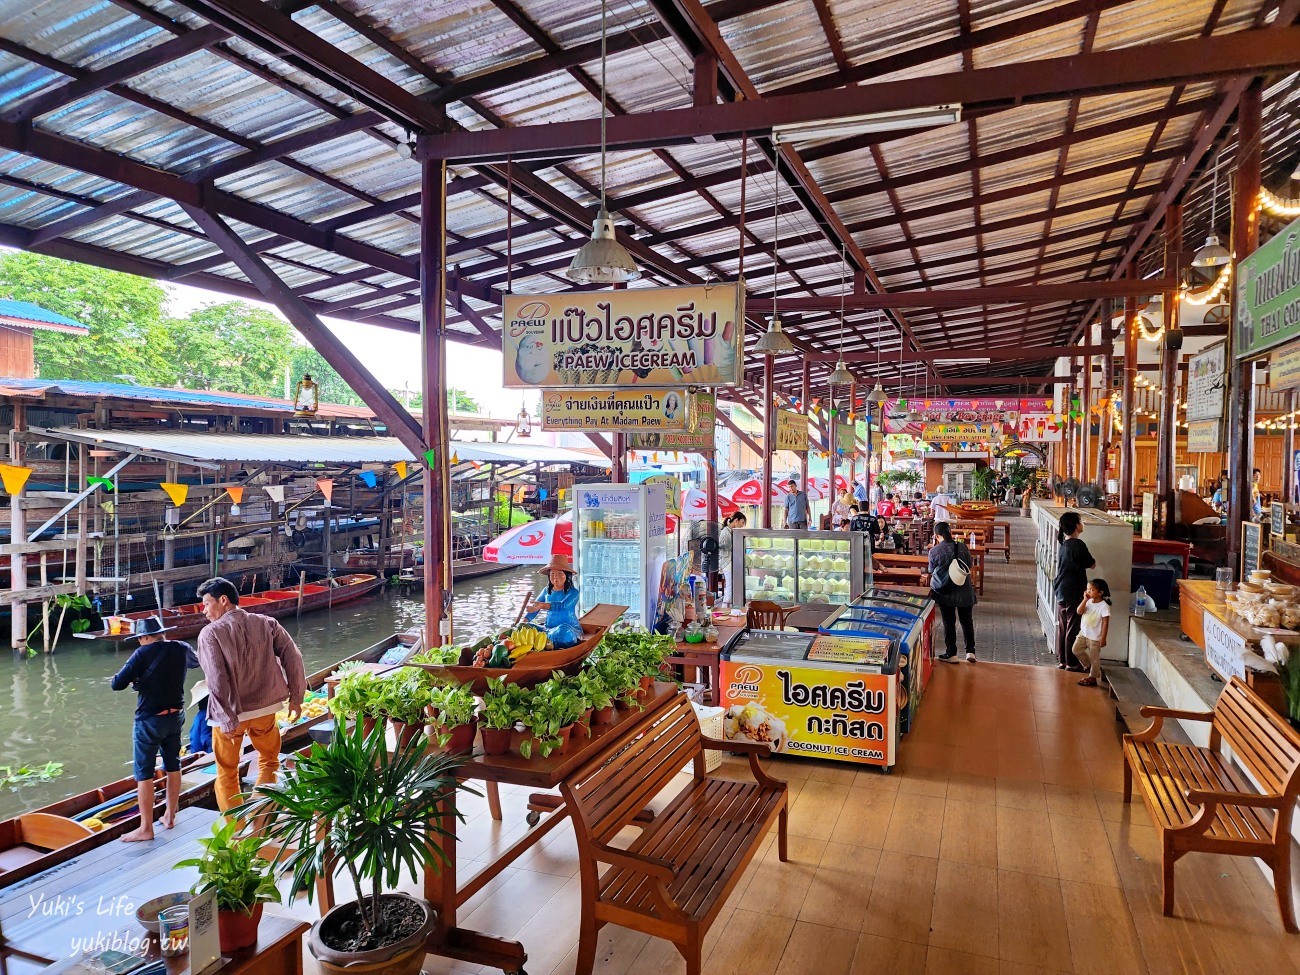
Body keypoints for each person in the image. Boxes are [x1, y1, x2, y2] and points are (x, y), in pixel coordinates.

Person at [197, 576, 306, 812]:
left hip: (231, 715)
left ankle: (235, 834)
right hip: (265, 710)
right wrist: (297, 697)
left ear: (223, 600)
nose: (204, 611)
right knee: (269, 761)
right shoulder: (266, 622)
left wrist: (226, 717)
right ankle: (261, 817)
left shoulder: (210, 633)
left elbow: (217, 679)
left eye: (206, 603)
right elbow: (293, 656)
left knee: (227, 773)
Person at [109, 617, 199, 841]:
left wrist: (136, 678)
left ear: (145, 637)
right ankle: (169, 816)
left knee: (144, 773)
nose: (140, 642)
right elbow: (196, 662)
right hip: (175, 716)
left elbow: (116, 684)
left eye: (140, 638)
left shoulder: (142, 653)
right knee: (173, 764)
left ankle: (146, 828)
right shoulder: (181, 648)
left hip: (149, 719)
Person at [929, 522, 977, 662]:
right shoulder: (962, 546)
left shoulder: (934, 551)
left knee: (948, 622)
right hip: (964, 589)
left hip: (946, 591)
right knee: (967, 621)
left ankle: (952, 653)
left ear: (937, 536)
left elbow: (932, 570)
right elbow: (969, 565)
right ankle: (970, 652)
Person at [1053, 512, 1095, 672]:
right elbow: (1092, 564)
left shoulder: (1064, 544)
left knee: (1064, 627)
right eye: (1081, 521)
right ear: (1077, 526)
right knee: (1073, 627)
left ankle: (1063, 660)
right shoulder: (1078, 544)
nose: (1083, 523)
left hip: (1061, 588)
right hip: (1073, 590)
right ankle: (1072, 662)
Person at [1073, 579, 1112, 687]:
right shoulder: (1088, 601)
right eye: (1087, 589)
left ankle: (1092, 678)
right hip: (1083, 633)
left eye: (1092, 590)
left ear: (1100, 593)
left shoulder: (1104, 606)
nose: (1088, 591)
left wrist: (1103, 638)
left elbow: (1105, 623)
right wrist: (1085, 600)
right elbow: (1079, 611)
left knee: (1095, 657)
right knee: (1076, 650)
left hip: (1095, 638)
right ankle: (1090, 667)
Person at [718, 511, 748, 603]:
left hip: (730, 562)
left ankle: (728, 604)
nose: (742, 526)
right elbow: (724, 549)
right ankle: (727, 606)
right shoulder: (726, 533)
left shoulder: (730, 532)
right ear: (736, 521)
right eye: (742, 523)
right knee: (730, 588)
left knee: (731, 587)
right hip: (728, 563)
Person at [189, 679, 212, 756]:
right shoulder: (207, 714)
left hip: (195, 750)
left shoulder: (200, 715)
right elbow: (207, 740)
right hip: (203, 754)